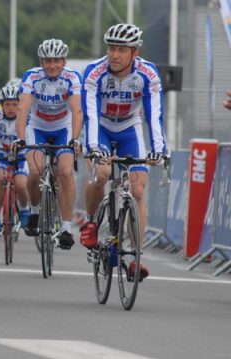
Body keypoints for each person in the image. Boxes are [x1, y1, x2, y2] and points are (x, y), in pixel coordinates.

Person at [80, 24, 167, 279]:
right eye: (111, 48)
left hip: (130, 127)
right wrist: (94, 148)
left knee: (138, 188)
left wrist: (159, 149)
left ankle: (134, 254)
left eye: (121, 49)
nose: (114, 55)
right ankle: (91, 222)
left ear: (134, 52)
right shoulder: (94, 73)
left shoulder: (148, 74)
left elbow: (154, 114)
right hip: (102, 129)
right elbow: (91, 114)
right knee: (103, 173)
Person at [14, 38, 83, 250]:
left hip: (63, 128)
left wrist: (75, 139)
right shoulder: (32, 76)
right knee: (35, 171)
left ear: (64, 61)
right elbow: (23, 109)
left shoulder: (72, 78)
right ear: (41, 62)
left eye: (56, 60)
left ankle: (65, 227)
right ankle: (35, 211)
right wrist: (21, 138)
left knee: (65, 172)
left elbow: (77, 110)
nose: (52, 65)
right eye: (47, 60)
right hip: (37, 127)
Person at [0, 84, 30, 236]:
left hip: (21, 156)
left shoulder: (25, 117)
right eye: (7, 104)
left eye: (15, 104)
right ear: (2, 105)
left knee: (20, 184)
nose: (11, 108)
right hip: (2, 155)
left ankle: (24, 209)